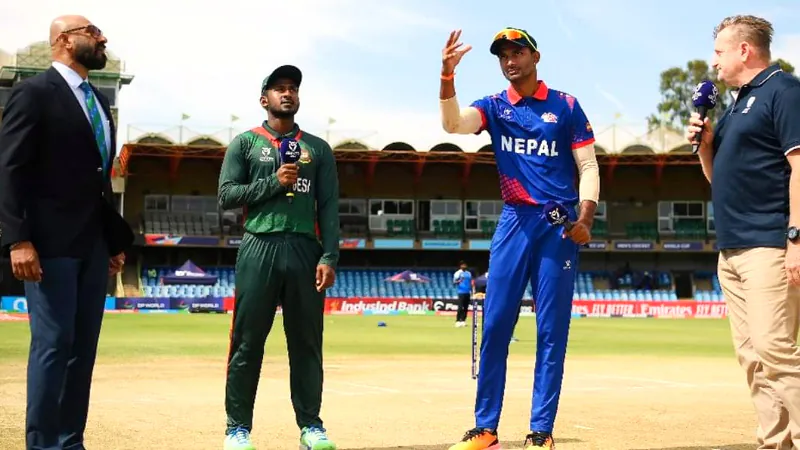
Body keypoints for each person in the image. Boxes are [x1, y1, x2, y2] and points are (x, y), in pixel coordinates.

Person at [439, 28, 600, 449]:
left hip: (558, 225)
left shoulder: (565, 106)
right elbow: (454, 124)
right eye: (503, 55)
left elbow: (588, 166)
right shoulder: (494, 106)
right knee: (494, 326)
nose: (510, 60)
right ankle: (485, 429)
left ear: (536, 56)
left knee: (551, 330)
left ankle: (540, 432)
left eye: (518, 52)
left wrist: (585, 217)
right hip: (513, 222)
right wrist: (447, 79)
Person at [0, 15, 134, 450]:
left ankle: (69, 442)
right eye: (93, 33)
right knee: (54, 345)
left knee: (82, 351)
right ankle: (41, 445)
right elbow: (9, 168)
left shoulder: (97, 101)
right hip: (48, 242)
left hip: (92, 244)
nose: (103, 39)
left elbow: (98, 181)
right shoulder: (33, 94)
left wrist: (111, 243)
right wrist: (16, 238)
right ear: (63, 40)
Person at [686, 15, 800, 449]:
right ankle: (775, 443)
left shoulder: (784, 92)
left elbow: (799, 168)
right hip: (731, 250)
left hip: (770, 243)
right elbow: (721, 181)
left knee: (776, 352)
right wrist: (706, 146)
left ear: (744, 50)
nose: (713, 62)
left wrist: (796, 238)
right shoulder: (735, 104)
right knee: (753, 358)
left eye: (718, 52)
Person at [217, 64, 340, 450]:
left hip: (305, 249)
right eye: (279, 88)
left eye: (293, 88)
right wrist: (274, 182)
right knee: (247, 342)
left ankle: (311, 426)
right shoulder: (245, 143)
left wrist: (330, 256)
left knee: (306, 342)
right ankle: (238, 427)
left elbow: (329, 206)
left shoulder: (318, 149)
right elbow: (226, 196)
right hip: (259, 245)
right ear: (264, 99)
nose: (287, 93)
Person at [453, 260, 474, 327]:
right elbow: (454, 282)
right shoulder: (458, 273)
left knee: (466, 307)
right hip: (461, 292)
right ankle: (457, 320)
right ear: (460, 266)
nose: (464, 266)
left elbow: (471, 282)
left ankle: (463, 320)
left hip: (467, 292)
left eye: (465, 265)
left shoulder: (469, 273)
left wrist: (472, 290)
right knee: (460, 307)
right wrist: (459, 281)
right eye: (463, 265)